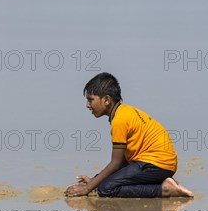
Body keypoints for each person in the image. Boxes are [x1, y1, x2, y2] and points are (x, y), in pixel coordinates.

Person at [65, 73, 193, 198]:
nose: (87, 105)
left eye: (90, 100)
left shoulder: (119, 120)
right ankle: (165, 182)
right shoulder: (124, 111)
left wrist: (87, 188)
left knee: (106, 189)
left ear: (107, 100)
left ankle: (165, 189)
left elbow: (116, 163)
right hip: (162, 164)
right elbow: (122, 162)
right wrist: (94, 180)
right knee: (103, 183)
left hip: (155, 164)